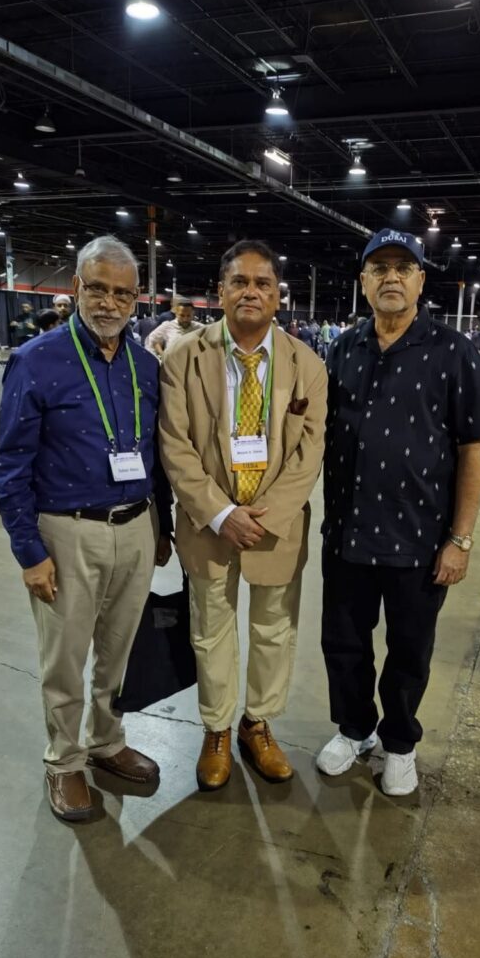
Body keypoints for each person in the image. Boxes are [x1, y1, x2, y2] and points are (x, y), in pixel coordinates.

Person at [317, 228, 480, 796]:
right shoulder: (343, 349)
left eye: (404, 268)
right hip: (347, 535)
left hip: (419, 542)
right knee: (344, 644)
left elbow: (472, 450)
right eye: (379, 268)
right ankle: (354, 730)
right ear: (364, 282)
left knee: (409, 651)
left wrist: (461, 539)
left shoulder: (453, 351)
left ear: (421, 280)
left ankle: (400, 742)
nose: (391, 277)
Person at [0, 235, 173, 823]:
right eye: (97, 288)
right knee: (65, 658)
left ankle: (106, 740)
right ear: (76, 287)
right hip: (67, 532)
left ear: (137, 299)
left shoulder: (146, 365)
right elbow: (10, 465)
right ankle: (64, 760)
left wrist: (162, 527)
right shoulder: (36, 361)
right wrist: (29, 551)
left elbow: (155, 455)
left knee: (119, 650)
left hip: (136, 524)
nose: (109, 302)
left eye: (122, 293)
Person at [159, 239, 327, 792]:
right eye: (239, 282)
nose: (250, 292)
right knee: (210, 631)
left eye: (262, 284)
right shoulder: (184, 358)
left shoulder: (307, 365)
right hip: (208, 525)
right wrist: (221, 513)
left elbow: (309, 454)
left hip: (277, 526)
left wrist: (264, 517)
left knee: (274, 629)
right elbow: (175, 445)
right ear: (221, 292)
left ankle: (258, 724)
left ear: (278, 297)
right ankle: (217, 729)